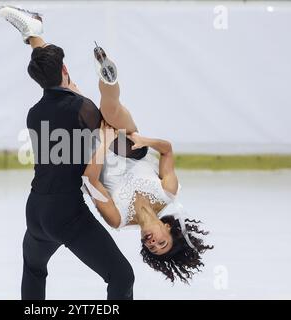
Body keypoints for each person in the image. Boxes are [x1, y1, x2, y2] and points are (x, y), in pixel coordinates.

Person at [0, 5, 142, 299]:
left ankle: (33, 32)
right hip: (66, 214)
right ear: (65, 70)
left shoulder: (34, 113)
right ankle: (34, 34)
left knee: (34, 268)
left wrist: (37, 41)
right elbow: (125, 146)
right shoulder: (82, 108)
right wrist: (96, 97)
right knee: (121, 276)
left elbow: (51, 74)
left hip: (36, 211)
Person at [83, 44, 214, 283]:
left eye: (152, 247)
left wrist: (103, 143)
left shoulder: (117, 219)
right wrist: (143, 140)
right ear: (169, 230)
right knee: (111, 111)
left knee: (83, 108)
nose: (153, 242)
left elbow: (90, 181)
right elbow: (167, 150)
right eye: (161, 242)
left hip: (95, 154)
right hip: (130, 146)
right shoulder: (168, 194)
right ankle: (107, 73)